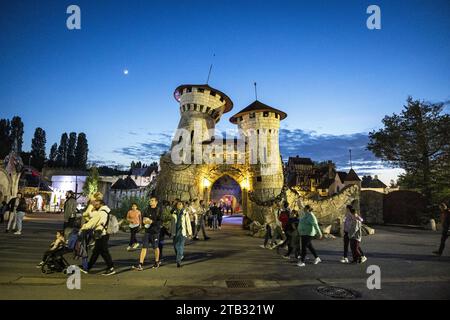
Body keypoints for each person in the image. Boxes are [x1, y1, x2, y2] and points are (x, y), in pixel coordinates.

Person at [79, 192, 116, 276]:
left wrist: (83, 227)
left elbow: (92, 221)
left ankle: (110, 268)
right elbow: (89, 215)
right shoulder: (104, 210)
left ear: (100, 203)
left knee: (103, 252)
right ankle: (88, 267)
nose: (94, 204)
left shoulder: (101, 212)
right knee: (97, 252)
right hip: (103, 233)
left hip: (102, 234)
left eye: (95, 202)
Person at [132, 197, 163, 271]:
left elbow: (160, 222)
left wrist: (152, 222)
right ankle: (140, 264)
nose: (150, 202)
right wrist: (144, 221)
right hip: (147, 231)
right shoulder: (146, 209)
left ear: (156, 202)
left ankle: (156, 262)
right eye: (150, 201)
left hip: (155, 232)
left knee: (155, 247)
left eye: (152, 201)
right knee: (144, 247)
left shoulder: (159, 210)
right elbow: (143, 218)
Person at [171, 200, 192, 268]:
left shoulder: (185, 213)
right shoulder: (173, 213)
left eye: (180, 204)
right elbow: (172, 224)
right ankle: (179, 256)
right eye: (178, 204)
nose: (179, 205)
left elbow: (188, 223)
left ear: (182, 205)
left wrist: (190, 232)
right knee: (175, 246)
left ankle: (178, 261)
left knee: (180, 246)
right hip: (175, 232)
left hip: (182, 232)